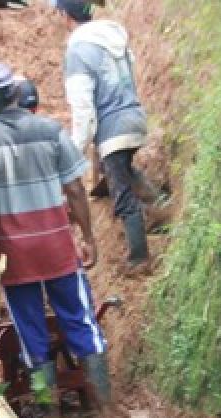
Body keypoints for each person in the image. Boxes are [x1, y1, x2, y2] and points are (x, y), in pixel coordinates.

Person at [0, 62, 128, 418]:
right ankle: (106, 408)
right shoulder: (50, 131)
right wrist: (88, 237)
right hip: (56, 246)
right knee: (81, 321)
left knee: (31, 334)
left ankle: (51, 415)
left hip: (12, 254)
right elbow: (76, 189)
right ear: (15, 95)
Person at [50, 0, 169, 272]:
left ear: (65, 15)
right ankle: (161, 205)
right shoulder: (113, 38)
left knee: (121, 191)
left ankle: (139, 258)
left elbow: (84, 113)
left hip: (113, 127)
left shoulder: (78, 50)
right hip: (134, 117)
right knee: (116, 168)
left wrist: (74, 153)